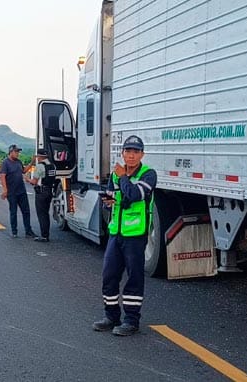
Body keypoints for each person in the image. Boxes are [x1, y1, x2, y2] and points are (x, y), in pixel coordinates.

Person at [93, 135, 157, 336]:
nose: (131, 155)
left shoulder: (148, 174)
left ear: (142, 155)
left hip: (135, 234)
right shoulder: (115, 176)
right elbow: (111, 198)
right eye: (128, 151)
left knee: (134, 278)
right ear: (122, 153)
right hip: (116, 232)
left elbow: (135, 195)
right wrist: (108, 202)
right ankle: (111, 316)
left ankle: (131, 321)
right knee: (109, 275)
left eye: (135, 152)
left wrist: (122, 177)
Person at [0, 144, 37, 238]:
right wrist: (5, 190)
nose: (17, 154)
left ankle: (28, 231)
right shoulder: (5, 163)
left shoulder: (18, 162)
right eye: (16, 152)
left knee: (26, 211)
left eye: (18, 152)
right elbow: (2, 176)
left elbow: (23, 171)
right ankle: (14, 231)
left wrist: (32, 162)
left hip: (21, 191)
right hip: (11, 192)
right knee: (13, 212)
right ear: (10, 152)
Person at [29, 149, 56, 242]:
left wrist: (27, 179)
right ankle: (46, 234)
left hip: (41, 192)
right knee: (46, 213)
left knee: (41, 214)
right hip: (49, 191)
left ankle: (44, 236)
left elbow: (34, 181)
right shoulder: (52, 166)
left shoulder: (40, 166)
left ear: (39, 157)